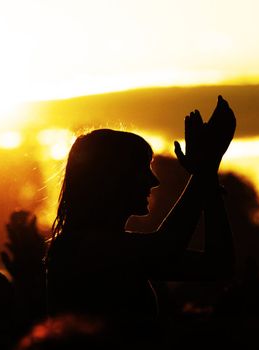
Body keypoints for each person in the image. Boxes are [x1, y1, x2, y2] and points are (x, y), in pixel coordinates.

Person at [45, 96, 236, 339]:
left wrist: (207, 180)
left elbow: (217, 264)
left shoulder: (101, 246)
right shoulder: (78, 249)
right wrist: (203, 173)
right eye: (142, 169)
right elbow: (167, 246)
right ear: (112, 177)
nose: (153, 181)